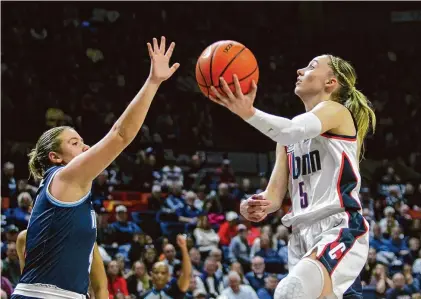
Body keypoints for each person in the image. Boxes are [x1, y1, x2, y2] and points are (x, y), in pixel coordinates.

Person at [11, 36, 180, 299]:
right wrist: (153, 82)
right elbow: (120, 135)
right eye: (75, 142)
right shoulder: (63, 177)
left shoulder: (71, 197)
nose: (87, 147)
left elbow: (25, 238)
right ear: (55, 157)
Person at [209, 54, 376, 299]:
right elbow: (273, 197)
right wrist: (253, 205)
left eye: (310, 66)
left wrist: (248, 112)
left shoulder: (336, 111)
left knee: (289, 291)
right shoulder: (287, 139)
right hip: (301, 237)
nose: (299, 69)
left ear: (331, 82)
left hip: (338, 227)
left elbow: (289, 130)